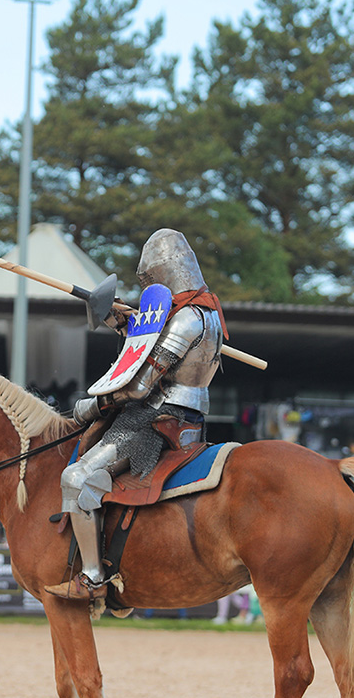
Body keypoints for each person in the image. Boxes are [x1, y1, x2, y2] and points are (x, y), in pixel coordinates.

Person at [47, 229, 226, 601]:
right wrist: (125, 322)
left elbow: (140, 386)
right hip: (188, 415)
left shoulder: (186, 320)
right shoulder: (206, 316)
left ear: (164, 274)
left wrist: (90, 405)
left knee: (76, 478)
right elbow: (141, 345)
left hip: (155, 418)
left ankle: (93, 579)